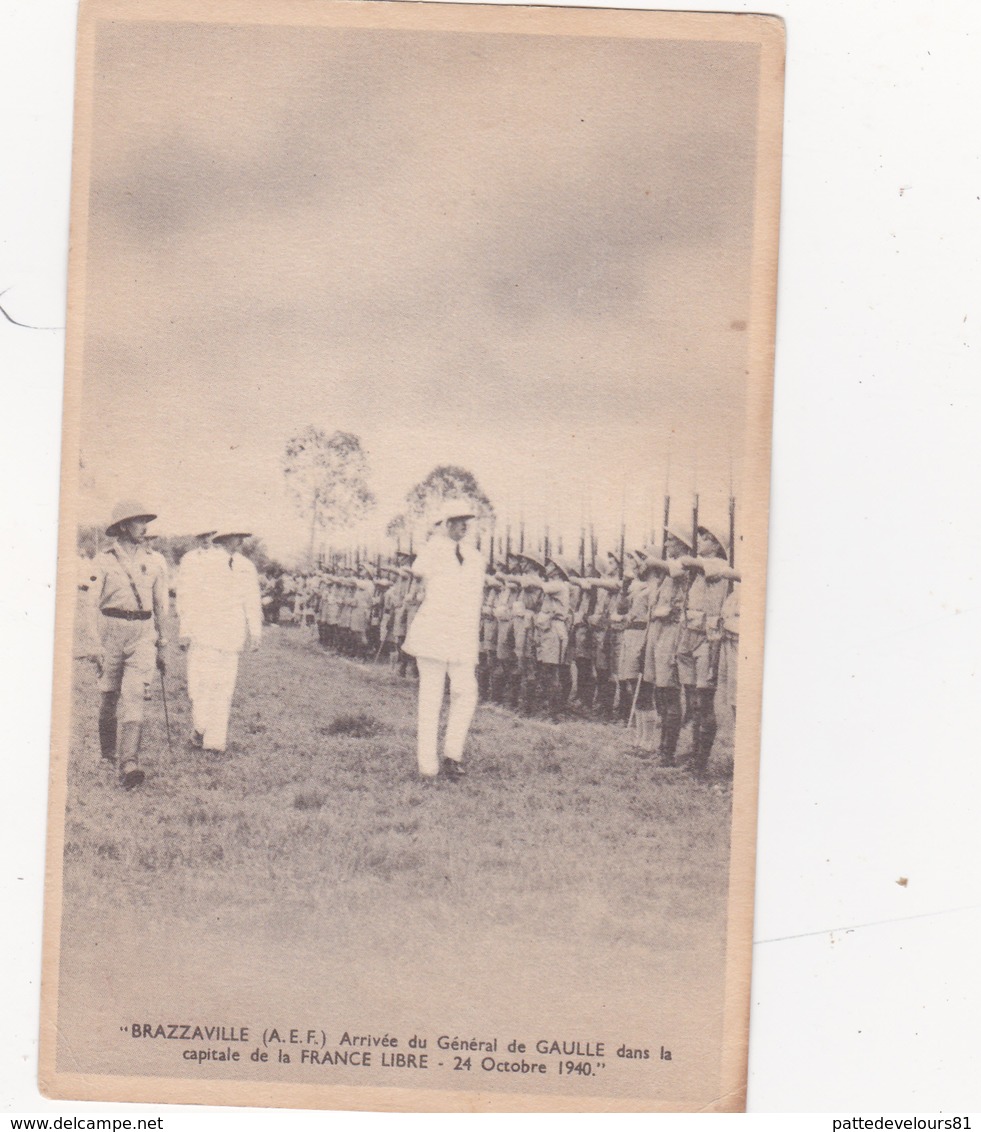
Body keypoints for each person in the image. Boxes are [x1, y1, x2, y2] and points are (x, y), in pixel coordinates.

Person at [86, 501, 169, 790]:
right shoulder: (103, 559)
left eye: (145, 522)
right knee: (109, 695)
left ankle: (129, 763)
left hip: (143, 633)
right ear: (123, 526)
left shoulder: (156, 560)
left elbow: (161, 605)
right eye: (138, 522)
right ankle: (108, 755)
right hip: (111, 631)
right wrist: (94, 644)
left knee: (135, 694)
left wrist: (163, 641)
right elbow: (89, 603)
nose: (144, 527)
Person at [402, 500, 485, 780]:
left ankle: (453, 755)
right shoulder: (433, 550)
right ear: (446, 524)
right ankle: (427, 765)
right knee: (432, 697)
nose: (464, 525)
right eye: (458, 520)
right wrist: (436, 535)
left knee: (466, 691)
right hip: (434, 632)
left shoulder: (474, 556)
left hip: (462, 634)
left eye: (466, 521)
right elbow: (419, 568)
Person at [178, 527, 262, 754]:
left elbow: (252, 600)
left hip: (231, 636)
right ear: (226, 538)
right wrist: (185, 629)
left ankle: (215, 741)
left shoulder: (246, 566)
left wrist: (255, 632)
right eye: (238, 536)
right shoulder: (202, 562)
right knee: (201, 685)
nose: (241, 541)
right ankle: (200, 727)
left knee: (224, 687)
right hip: (204, 633)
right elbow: (189, 596)